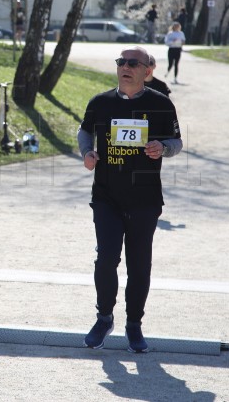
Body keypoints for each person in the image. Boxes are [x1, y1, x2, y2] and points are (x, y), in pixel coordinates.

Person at [77, 46, 182, 353]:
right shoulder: (100, 102)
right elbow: (84, 132)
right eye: (121, 61)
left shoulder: (161, 104)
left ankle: (134, 324)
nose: (125, 66)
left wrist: (162, 147)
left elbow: (177, 142)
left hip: (144, 198)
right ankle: (104, 317)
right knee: (106, 258)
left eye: (132, 63)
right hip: (107, 195)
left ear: (147, 70)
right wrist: (87, 153)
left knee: (139, 265)